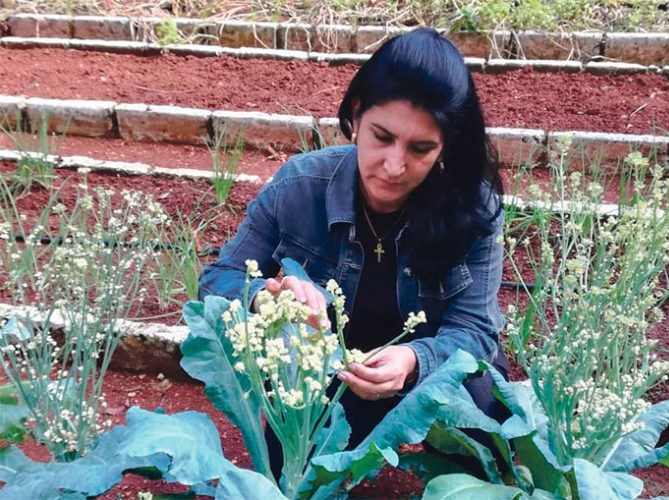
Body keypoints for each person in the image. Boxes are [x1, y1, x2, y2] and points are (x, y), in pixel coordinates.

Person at [198, 26, 508, 466]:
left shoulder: (473, 208)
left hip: (423, 379)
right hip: (330, 377)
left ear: (445, 148)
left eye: (420, 149)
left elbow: (475, 331)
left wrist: (412, 360)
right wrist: (261, 299)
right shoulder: (300, 186)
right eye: (382, 137)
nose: (394, 166)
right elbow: (215, 282)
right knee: (292, 471)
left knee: (482, 407)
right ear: (357, 115)